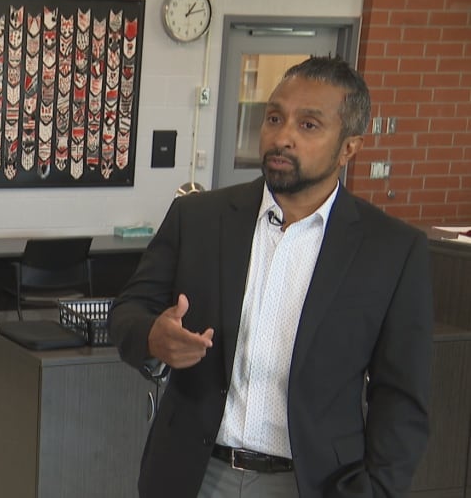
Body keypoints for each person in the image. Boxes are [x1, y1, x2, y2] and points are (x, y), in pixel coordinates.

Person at [109, 56, 432, 498]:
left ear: (349, 147)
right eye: (275, 118)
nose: (282, 137)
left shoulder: (391, 250)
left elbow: (401, 396)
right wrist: (152, 337)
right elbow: (127, 312)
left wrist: (377, 489)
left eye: (309, 126)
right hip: (194, 474)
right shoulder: (198, 218)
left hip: (312, 482)